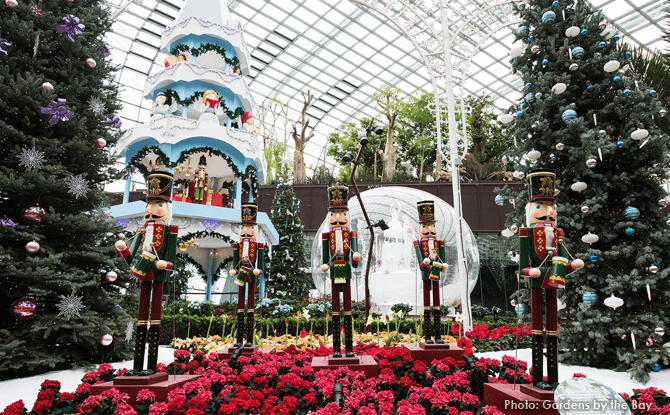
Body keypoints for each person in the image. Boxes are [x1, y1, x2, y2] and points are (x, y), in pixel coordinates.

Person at [519, 169, 584, 389]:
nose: (547, 212)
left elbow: (564, 258)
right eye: (540, 206)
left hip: (555, 278)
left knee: (553, 327)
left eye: (550, 207)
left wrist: (572, 266)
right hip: (538, 280)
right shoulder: (526, 233)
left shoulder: (558, 233)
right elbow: (521, 266)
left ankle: (554, 377)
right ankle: (538, 377)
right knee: (538, 325)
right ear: (530, 209)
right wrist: (530, 271)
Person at [115, 171, 178, 376]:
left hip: (157, 274)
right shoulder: (141, 231)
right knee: (142, 317)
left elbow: (173, 261)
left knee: (156, 318)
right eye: (149, 205)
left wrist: (164, 264)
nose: (151, 210)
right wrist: (122, 248)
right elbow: (130, 256)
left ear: (167, 208)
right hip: (142, 271)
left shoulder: (170, 231)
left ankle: (151, 366)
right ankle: (136, 366)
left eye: (158, 205)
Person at [320, 184, 360, 357]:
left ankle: (349, 349)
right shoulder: (326, 235)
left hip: (346, 270)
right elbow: (324, 257)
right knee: (335, 309)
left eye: (342, 213)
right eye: (333, 214)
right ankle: (336, 349)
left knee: (348, 309)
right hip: (334, 271)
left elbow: (355, 260)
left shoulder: (351, 234)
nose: (338, 218)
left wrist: (356, 259)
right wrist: (324, 264)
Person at [229, 203, 265, 347]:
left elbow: (260, 263)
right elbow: (235, 262)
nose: (246, 231)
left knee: (250, 305)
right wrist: (234, 270)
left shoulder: (258, 245)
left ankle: (249, 339)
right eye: (243, 227)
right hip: (241, 274)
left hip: (251, 274)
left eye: (250, 227)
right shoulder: (237, 245)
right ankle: (238, 340)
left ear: (255, 229)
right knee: (239, 306)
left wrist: (259, 270)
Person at [413, 201, 448, 344]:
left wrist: (444, 266)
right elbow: (420, 262)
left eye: (432, 225)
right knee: (427, 304)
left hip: (436, 272)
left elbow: (443, 258)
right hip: (426, 273)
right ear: (420, 227)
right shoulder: (418, 243)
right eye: (425, 226)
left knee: (437, 303)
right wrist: (424, 263)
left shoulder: (440, 243)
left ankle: (438, 336)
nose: (429, 229)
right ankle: (428, 337)